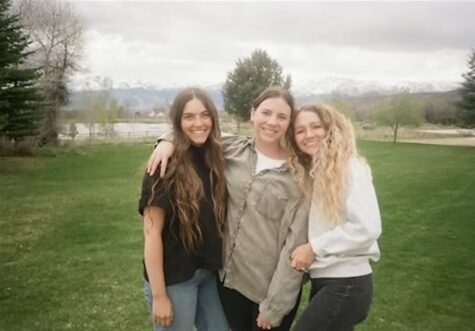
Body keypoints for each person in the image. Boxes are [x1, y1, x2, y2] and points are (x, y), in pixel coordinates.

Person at [147, 86, 309, 331]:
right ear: (252, 113)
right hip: (228, 285)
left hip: (268, 292)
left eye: (282, 116)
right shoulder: (233, 149)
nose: (272, 122)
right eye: (265, 112)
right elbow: (195, 131)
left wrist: (275, 305)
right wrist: (166, 140)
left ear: (290, 122)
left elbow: (295, 247)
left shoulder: (300, 176)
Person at [138, 87, 229, 331]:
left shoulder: (214, 155)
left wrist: (167, 139)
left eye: (204, 115)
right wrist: (159, 297)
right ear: (178, 122)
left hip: (206, 273)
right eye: (189, 117)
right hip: (173, 279)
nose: (198, 123)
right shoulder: (163, 165)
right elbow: (151, 233)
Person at [288, 104, 382, 331]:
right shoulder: (318, 172)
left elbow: (367, 228)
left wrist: (314, 247)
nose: (308, 135)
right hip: (327, 280)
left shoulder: (350, 167)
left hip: (347, 282)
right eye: (300, 130)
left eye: (315, 127)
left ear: (331, 129)